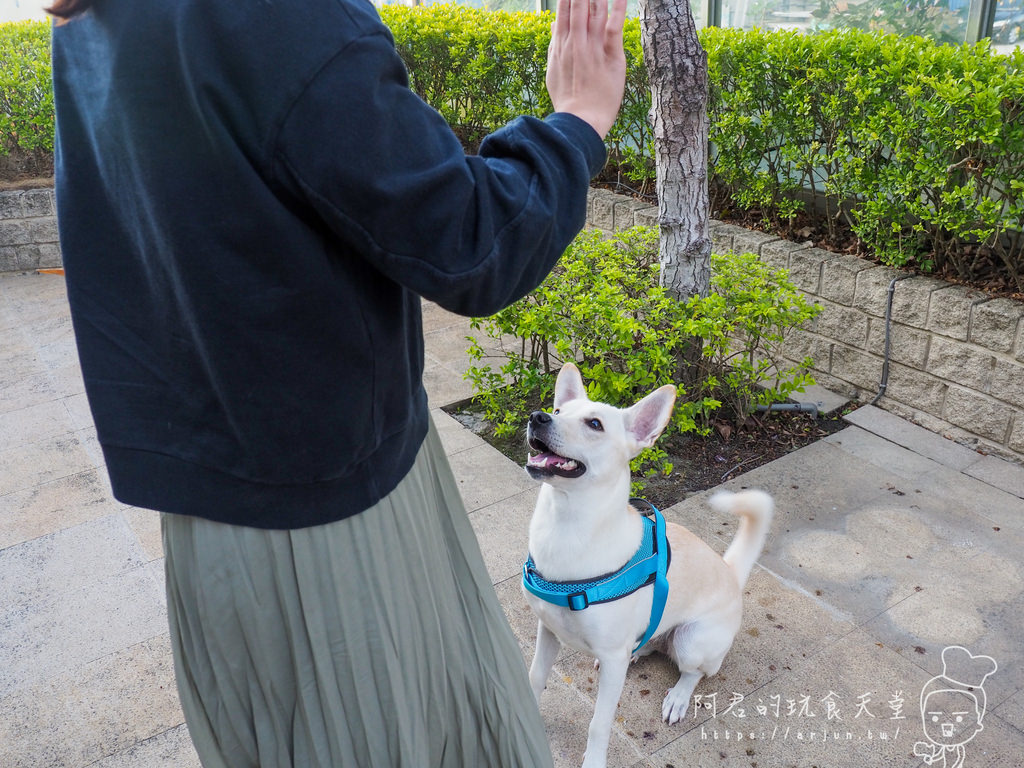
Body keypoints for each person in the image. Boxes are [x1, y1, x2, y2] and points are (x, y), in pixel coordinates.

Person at [47, 0, 627, 764]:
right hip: (331, 517)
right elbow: (468, 241)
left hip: (213, 518)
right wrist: (578, 121)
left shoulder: (93, 19)